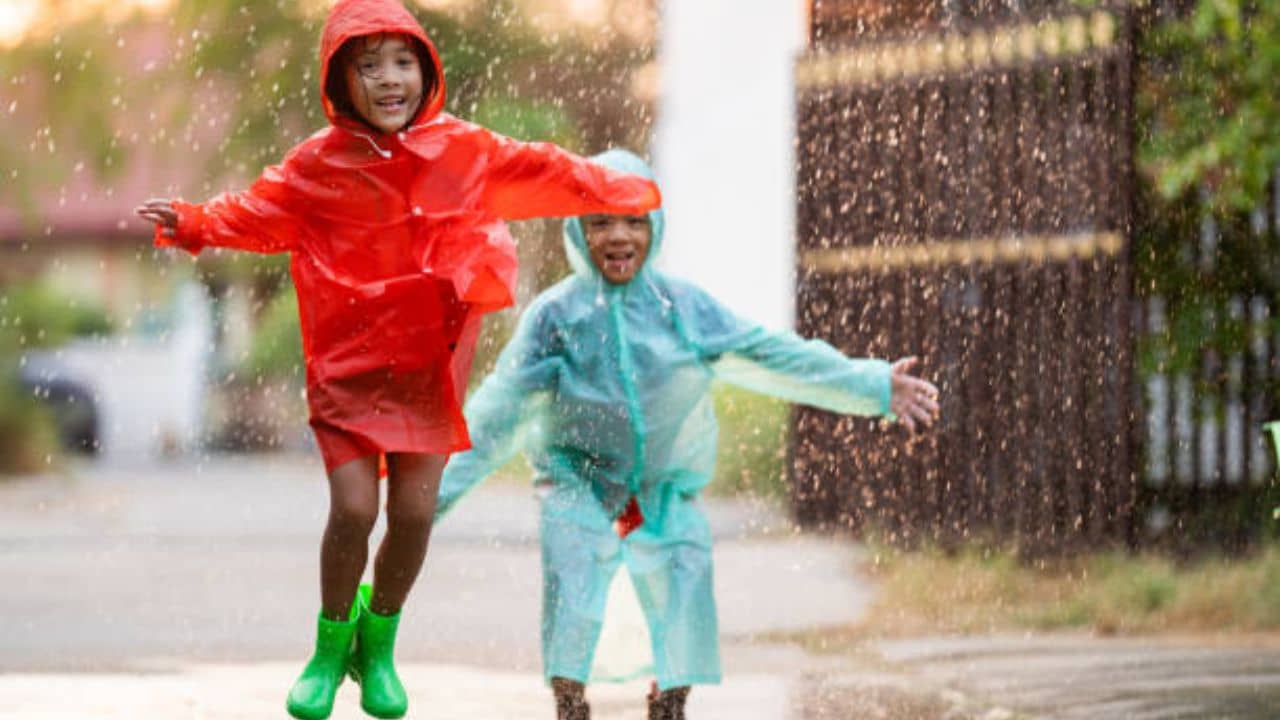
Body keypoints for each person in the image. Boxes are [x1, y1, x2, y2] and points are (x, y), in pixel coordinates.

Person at [135, 2, 660, 718]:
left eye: (403, 61)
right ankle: (328, 647)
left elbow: (542, 168)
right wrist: (195, 222)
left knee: (414, 515)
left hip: (425, 369)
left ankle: (377, 644)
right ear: (339, 81)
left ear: (427, 69)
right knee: (353, 507)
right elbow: (259, 211)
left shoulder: (463, 150)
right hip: (346, 368)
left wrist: (616, 189)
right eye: (369, 64)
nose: (390, 80)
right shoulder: (318, 165)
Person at [434, 149, 940, 719]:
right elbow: (497, 411)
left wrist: (871, 384)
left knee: (682, 585)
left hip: (661, 490)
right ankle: (570, 702)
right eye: (601, 221)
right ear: (577, 229)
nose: (619, 236)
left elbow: (771, 353)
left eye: (635, 221)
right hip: (578, 482)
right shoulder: (556, 317)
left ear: (656, 226)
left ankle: (668, 701)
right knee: (573, 585)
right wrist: (426, 502)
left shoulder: (682, 307)